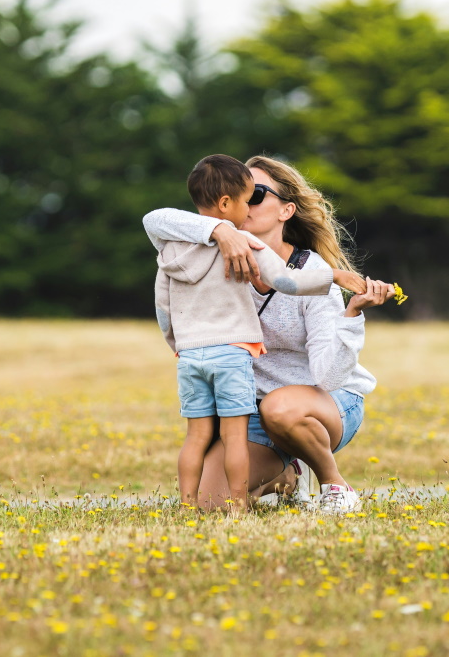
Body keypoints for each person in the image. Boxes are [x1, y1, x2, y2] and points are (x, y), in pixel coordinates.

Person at [144, 155, 396, 514]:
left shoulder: (312, 273)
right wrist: (220, 231)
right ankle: (287, 477)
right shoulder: (213, 255)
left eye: (256, 194)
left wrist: (351, 314)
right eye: (239, 192)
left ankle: (334, 485)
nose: (245, 201)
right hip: (254, 408)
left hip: (324, 403)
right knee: (210, 503)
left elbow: (328, 377)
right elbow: (154, 220)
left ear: (286, 210)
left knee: (281, 407)